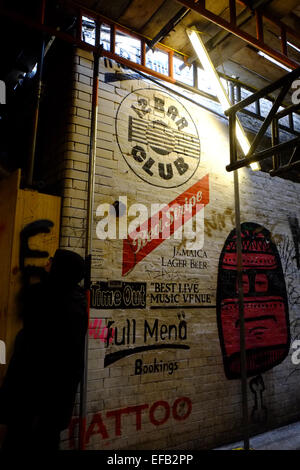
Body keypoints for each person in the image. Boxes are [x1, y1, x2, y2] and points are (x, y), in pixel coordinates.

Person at [0, 249, 88, 450]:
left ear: (60, 268)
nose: (47, 263)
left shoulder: (44, 297)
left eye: (52, 261)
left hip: (34, 387)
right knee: (46, 439)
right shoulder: (77, 301)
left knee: (21, 439)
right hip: (57, 392)